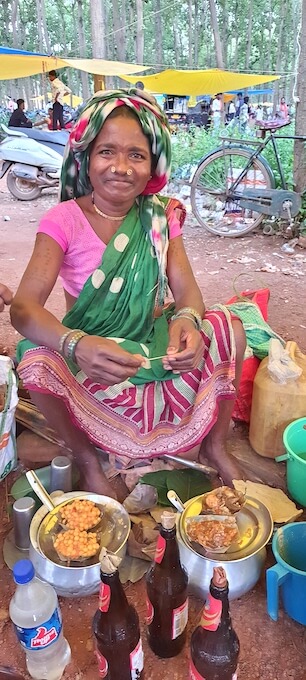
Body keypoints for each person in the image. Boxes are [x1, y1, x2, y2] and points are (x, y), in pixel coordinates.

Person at [11, 89, 246, 498]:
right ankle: (88, 459)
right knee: (35, 356)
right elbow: (24, 309)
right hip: (94, 356)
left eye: (136, 155)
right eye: (107, 152)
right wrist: (76, 344)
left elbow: (187, 289)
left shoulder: (159, 216)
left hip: (153, 347)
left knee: (231, 328)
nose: (120, 167)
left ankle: (215, 444)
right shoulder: (63, 219)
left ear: (153, 164)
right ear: (86, 158)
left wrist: (188, 320)